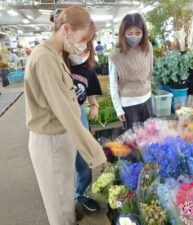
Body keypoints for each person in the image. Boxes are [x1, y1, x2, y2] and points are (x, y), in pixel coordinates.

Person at [24, 6, 107, 225]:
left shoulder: (55, 55)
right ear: (67, 29)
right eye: (82, 38)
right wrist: (96, 153)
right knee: (60, 208)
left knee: (64, 200)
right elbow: (65, 112)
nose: (82, 46)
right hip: (51, 140)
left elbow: (70, 104)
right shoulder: (45, 59)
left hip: (60, 137)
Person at [63, 40, 102, 212]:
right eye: (77, 48)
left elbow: (91, 91)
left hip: (80, 113)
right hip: (60, 114)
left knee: (83, 157)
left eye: (85, 50)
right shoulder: (59, 65)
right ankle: (63, 201)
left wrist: (94, 105)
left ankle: (81, 193)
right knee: (62, 159)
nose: (81, 53)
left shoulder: (88, 70)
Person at [109, 13, 153, 130]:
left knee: (150, 137)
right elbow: (113, 84)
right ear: (123, 33)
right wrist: (118, 109)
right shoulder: (116, 54)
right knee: (133, 141)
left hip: (147, 99)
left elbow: (149, 73)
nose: (134, 37)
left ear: (143, 33)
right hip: (129, 104)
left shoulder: (148, 47)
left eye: (138, 33)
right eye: (130, 34)